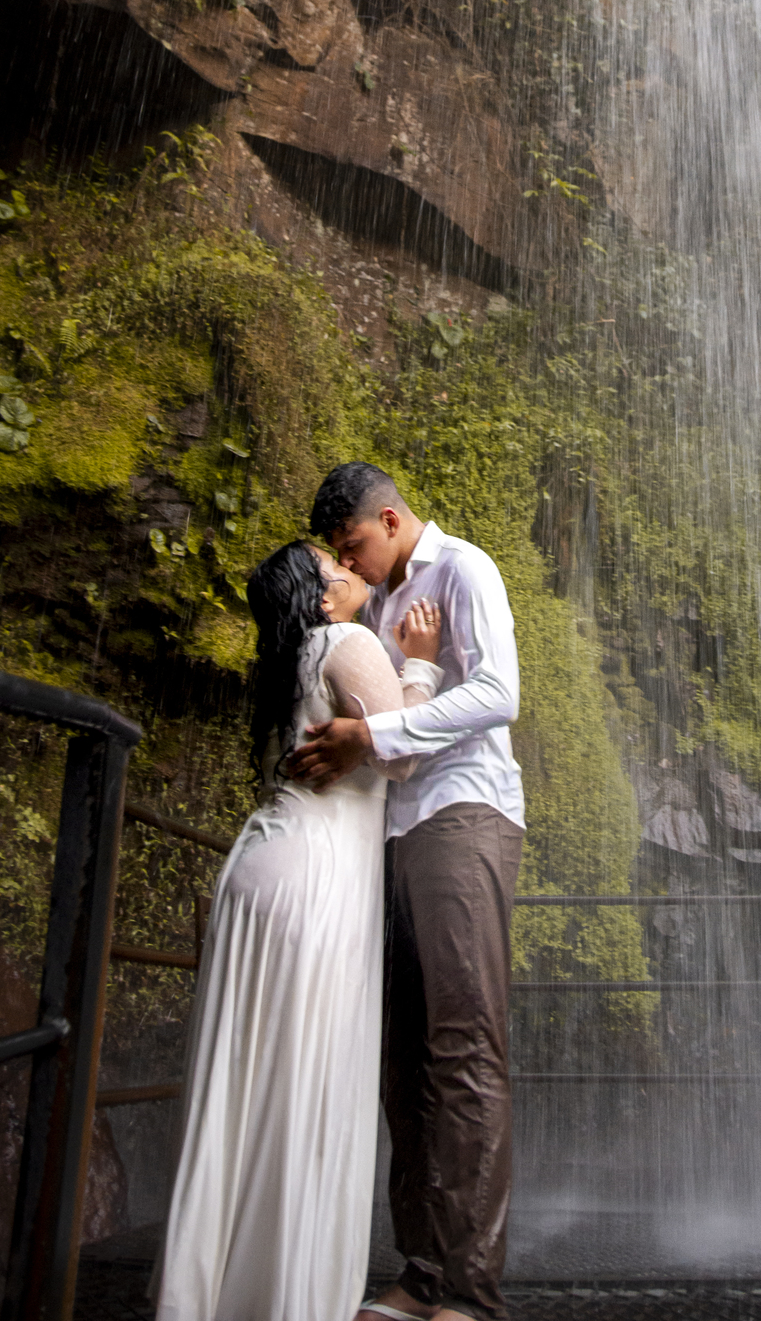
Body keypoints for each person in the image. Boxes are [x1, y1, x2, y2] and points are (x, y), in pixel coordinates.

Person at [153, 540, 443, 1321]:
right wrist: (420, 663)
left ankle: (209, 1296)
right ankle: (286, 1299)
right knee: (305, 1079)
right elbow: (403, 753)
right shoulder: (346, 642)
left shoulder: (286, 659)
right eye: (335, 567)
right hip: (315, 881)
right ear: (320, 599)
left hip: (263, 871)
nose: (352, 571)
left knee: (246, 1084)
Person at [286, 463, 525, 1321]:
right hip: (387, 833)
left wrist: (373, 732)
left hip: (464, 816)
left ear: (388, 519)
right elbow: (386, 707)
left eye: (353, 546)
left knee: (464, 1048)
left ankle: (470, 1291)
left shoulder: (466, 568)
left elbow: (500, 693)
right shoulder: (376, 602)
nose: (349, 566)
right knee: (405, 1060)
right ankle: (422, 1272)